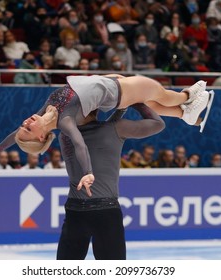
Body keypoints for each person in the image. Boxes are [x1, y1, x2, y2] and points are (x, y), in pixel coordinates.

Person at [0, 74, 213, 192]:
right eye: (28, 128)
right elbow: (80, 145)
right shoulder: (66, 121)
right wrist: (88, 172)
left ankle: (186, 116)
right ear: (41, 136)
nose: (25, 122)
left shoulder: (45, 112)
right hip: (117, 91)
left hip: (107, 82)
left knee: (152, 99)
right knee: (159, 93)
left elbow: (14, 134)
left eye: (23, 125)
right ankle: (187, 97)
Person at [57, 103, 165, 260]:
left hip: (75, 211)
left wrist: (119, 113)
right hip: (105, 212)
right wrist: (135, 102)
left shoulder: (64, 136)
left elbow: (100, 131)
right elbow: (158, 124)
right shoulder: (117, 128)